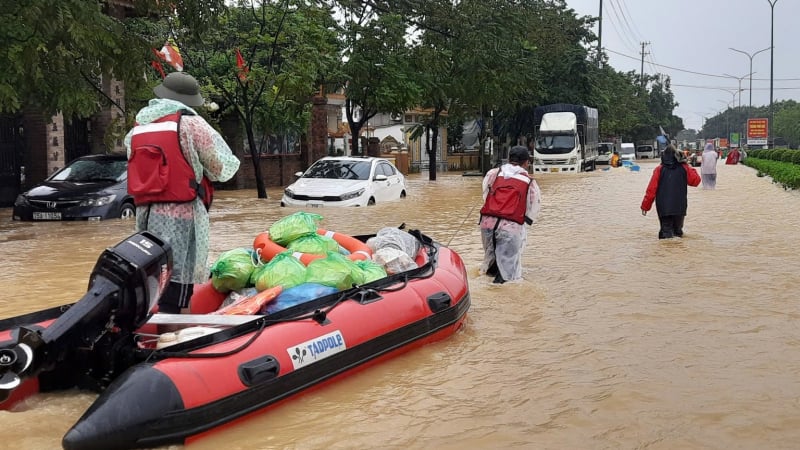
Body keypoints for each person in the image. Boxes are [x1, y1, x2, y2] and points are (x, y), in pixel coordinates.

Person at [124, 72, 240, 315]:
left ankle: (153, 315)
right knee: (179, 279)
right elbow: (221, 168)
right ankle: (175, 326)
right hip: (182, 214)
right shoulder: (191, 124)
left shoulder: (139, 126)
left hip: (146, 213)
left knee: (153, 267)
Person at [479, 145, 541, 284]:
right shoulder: (529, 181)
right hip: (510, 228)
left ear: (508, 159)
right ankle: (500, 291)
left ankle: (488, 286)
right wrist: (525, 220)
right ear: (526, 163)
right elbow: (534, 205)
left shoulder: (493, 173)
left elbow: (485, 193)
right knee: (508, 274)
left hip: (487, 224)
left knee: (490, 263)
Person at [640, 145, 701, 239]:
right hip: (680, 207)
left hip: (663, 208)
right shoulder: (684, 168)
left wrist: (645, 206)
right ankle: (678, 248)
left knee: (666, 233)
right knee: (678, 232)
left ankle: (666, 248)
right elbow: (696, 181)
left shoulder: (659, 169)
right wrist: (687, 164)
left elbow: (651, 190)